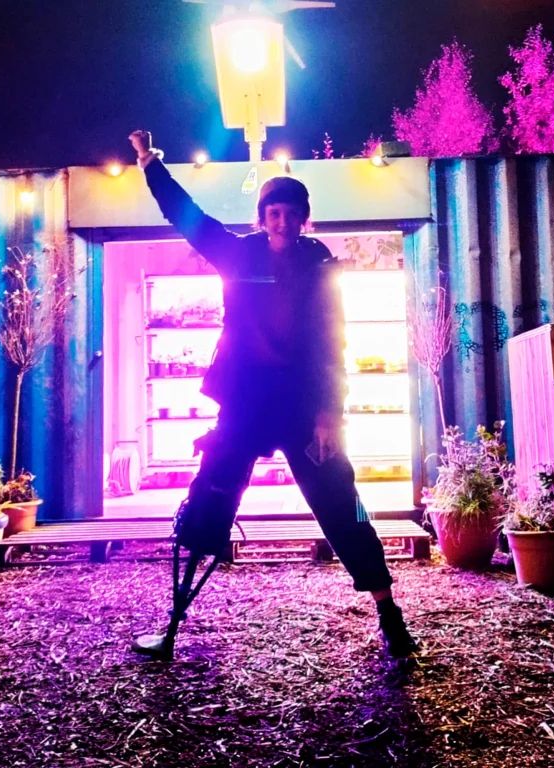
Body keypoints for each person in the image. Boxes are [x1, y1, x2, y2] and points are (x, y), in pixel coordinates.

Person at [128, 130, 417, 659]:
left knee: (343, 505)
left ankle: (389, 615)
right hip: (245, 405)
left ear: (304, 217)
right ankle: (172, 625)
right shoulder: (238, 255)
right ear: (262, 218)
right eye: (273, 213)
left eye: (290, 213)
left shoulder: (320, 264)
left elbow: (333, 340)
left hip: (304, 408)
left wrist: (330, 413)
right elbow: (188, 218)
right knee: (206, 506)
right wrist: (151, 164)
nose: (281, 221)